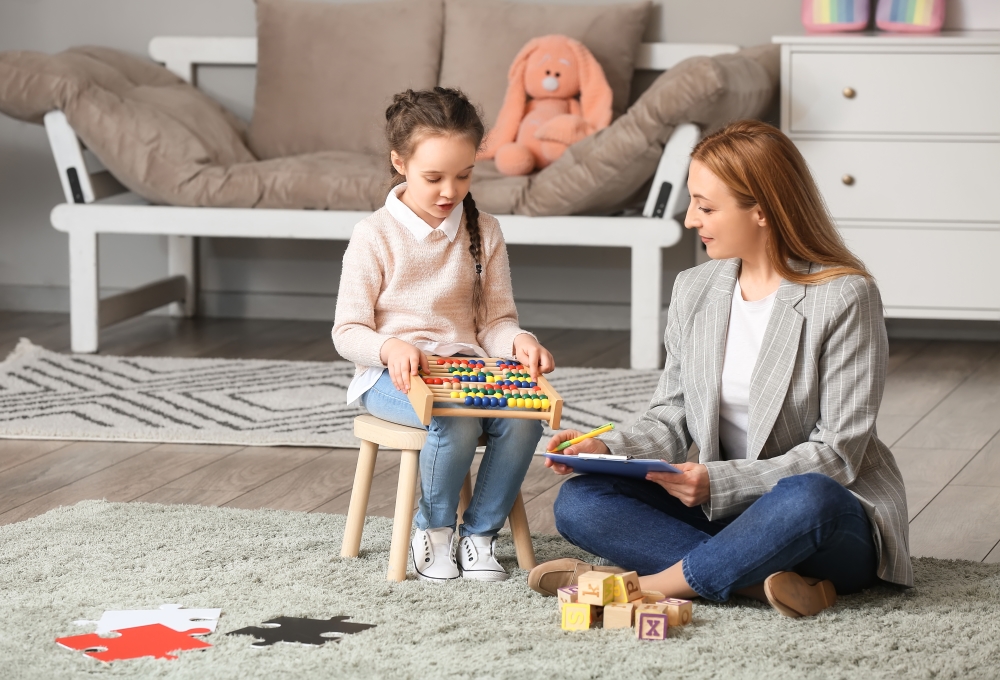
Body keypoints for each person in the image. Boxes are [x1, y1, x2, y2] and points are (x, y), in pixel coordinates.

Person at [528, 120, 912, 617]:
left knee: (808, 498)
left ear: (762, 210)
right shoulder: (696, 288)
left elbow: (837, 455)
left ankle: (648, 585)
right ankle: (756, 583)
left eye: (707, 207)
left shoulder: (844, 296)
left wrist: (718, 482)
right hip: (726, 515)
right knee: (581, 501)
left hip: (823, 520)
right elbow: (670, 417)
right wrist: (607, 449)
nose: (691, 220)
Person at [333, 87, 554, 583]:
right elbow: (347, 331)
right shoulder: (373, 235)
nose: (449, 191)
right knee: (451, 424)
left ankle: (478, 534)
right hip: (389, 377)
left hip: (464, 371)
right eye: (433, 177)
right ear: (400, 162)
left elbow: (495, 322)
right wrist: (389, 347)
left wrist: (518, 340)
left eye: (464, 174)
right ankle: (432, 532)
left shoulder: (486, 231)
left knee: (523, 419)